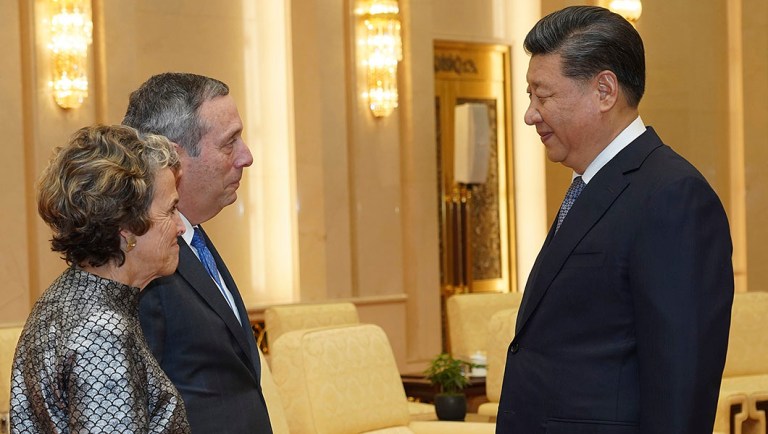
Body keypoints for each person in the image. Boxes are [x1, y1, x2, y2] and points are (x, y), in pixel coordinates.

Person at [496, 6, 733, 434]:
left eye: (542, 95)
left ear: (604, 90)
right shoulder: (590, 186)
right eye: (529, 97)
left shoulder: (672, 196)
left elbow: (682, 385)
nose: (530, 114)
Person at [10, 125, 190, 433]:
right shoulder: (101, 332)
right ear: (127, 228)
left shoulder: (69, 297)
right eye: (171, 210)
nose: (180, 227)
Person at [122, 73, 273, 433]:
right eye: (229, 142)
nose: (247, 156)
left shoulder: (194, 237)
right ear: (175, 157)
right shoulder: (143, 260)